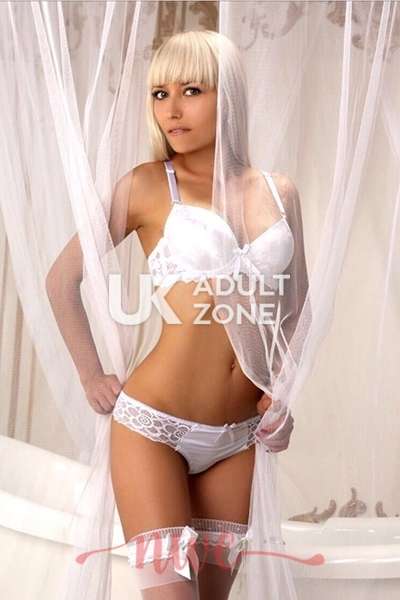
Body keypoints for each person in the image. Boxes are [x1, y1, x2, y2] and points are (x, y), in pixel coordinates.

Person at [46, 30, 297, 600]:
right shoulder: (145, 186)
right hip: (152, 427)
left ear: (228, 96)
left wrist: (282, 389)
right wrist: (90, 374)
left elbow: (295, 304)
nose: (172, 109)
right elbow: (62, 280)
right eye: (160, 93)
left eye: (191, 90)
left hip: (238, 437)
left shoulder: (280, 192)